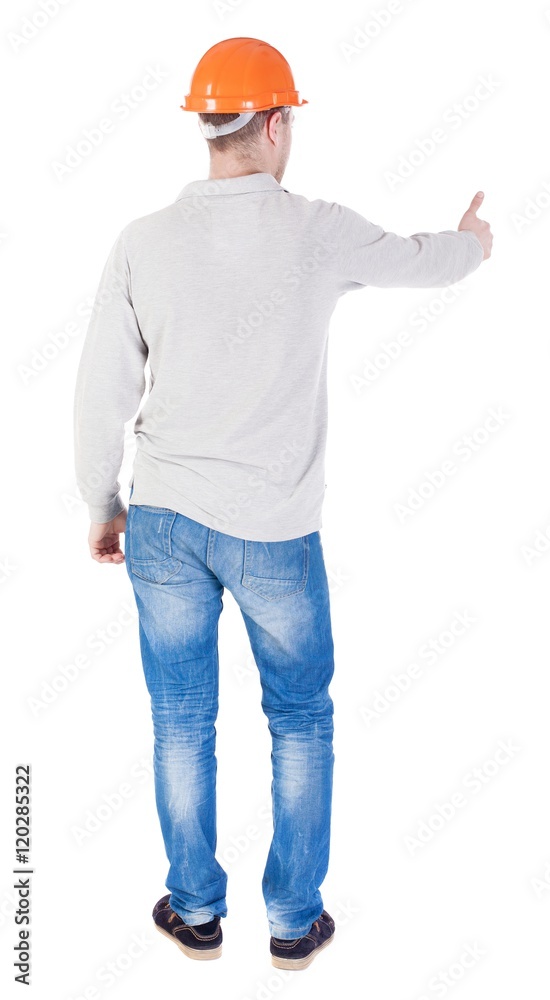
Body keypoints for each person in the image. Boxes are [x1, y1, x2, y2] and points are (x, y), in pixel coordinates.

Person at [73, 36, 493, 970]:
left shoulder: (142, 241)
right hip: (275, 534)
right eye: (287, 118)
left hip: (168, 524)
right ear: (273, 123)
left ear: (207, 125)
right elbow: (431, 263)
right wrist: (474, 240)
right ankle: (294, 923)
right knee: (299, 716)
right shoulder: (318, 230)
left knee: (182, 718)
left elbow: (100, 388)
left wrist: (102, 503)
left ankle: (194, 912)